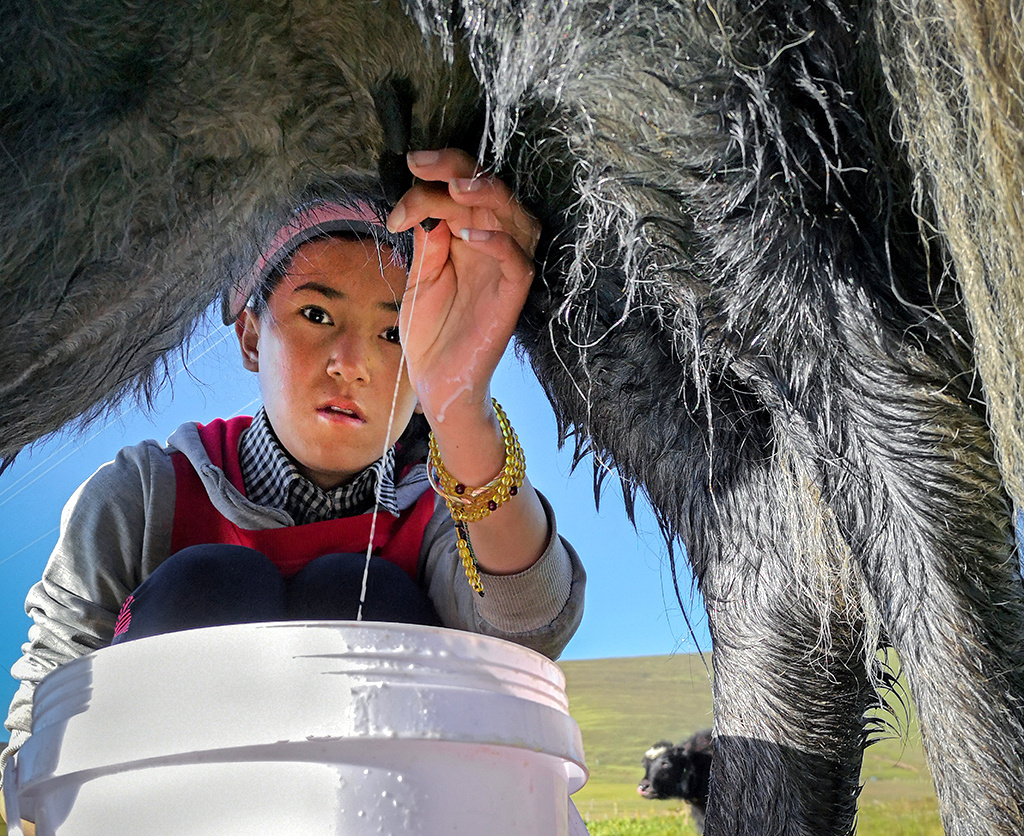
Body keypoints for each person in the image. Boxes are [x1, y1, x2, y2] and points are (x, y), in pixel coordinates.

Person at [0, 149, 586, 825]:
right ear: (251, 335)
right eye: (316, 315)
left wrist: (459, 405)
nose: (353, 363)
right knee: (210, 584)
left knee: (362, 594)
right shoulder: (142, 496)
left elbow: (529, 628)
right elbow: (49, 711)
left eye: (394, 332)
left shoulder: (435, 508)